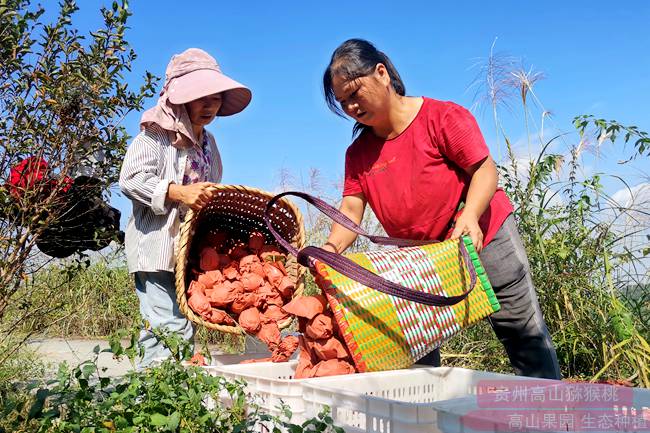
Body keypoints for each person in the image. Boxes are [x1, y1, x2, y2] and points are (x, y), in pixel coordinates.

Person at [320, 38, 561, 379]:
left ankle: (553, 413)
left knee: (524, 338)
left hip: (482, 238)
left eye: (355, 93)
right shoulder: (358, 154)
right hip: (423, 259)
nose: (351, 107)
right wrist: (329, 250)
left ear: (382, 74)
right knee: (414, 353)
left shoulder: (441, 118)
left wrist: (470, 216)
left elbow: (484, 170)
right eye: (342, 102)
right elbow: (351, 207)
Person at [119, 48, 251, 368]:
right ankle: (153, 401)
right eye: (201, 97)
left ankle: (174, 403)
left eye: (215, 98)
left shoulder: (209, 144)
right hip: (157, 247)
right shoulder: (157, 134)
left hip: (185, 251)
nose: (210, 106)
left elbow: (212, 189)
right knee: (166, 327)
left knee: (183, 324)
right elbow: (130, 179)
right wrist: (178, 192)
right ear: (181, 98)